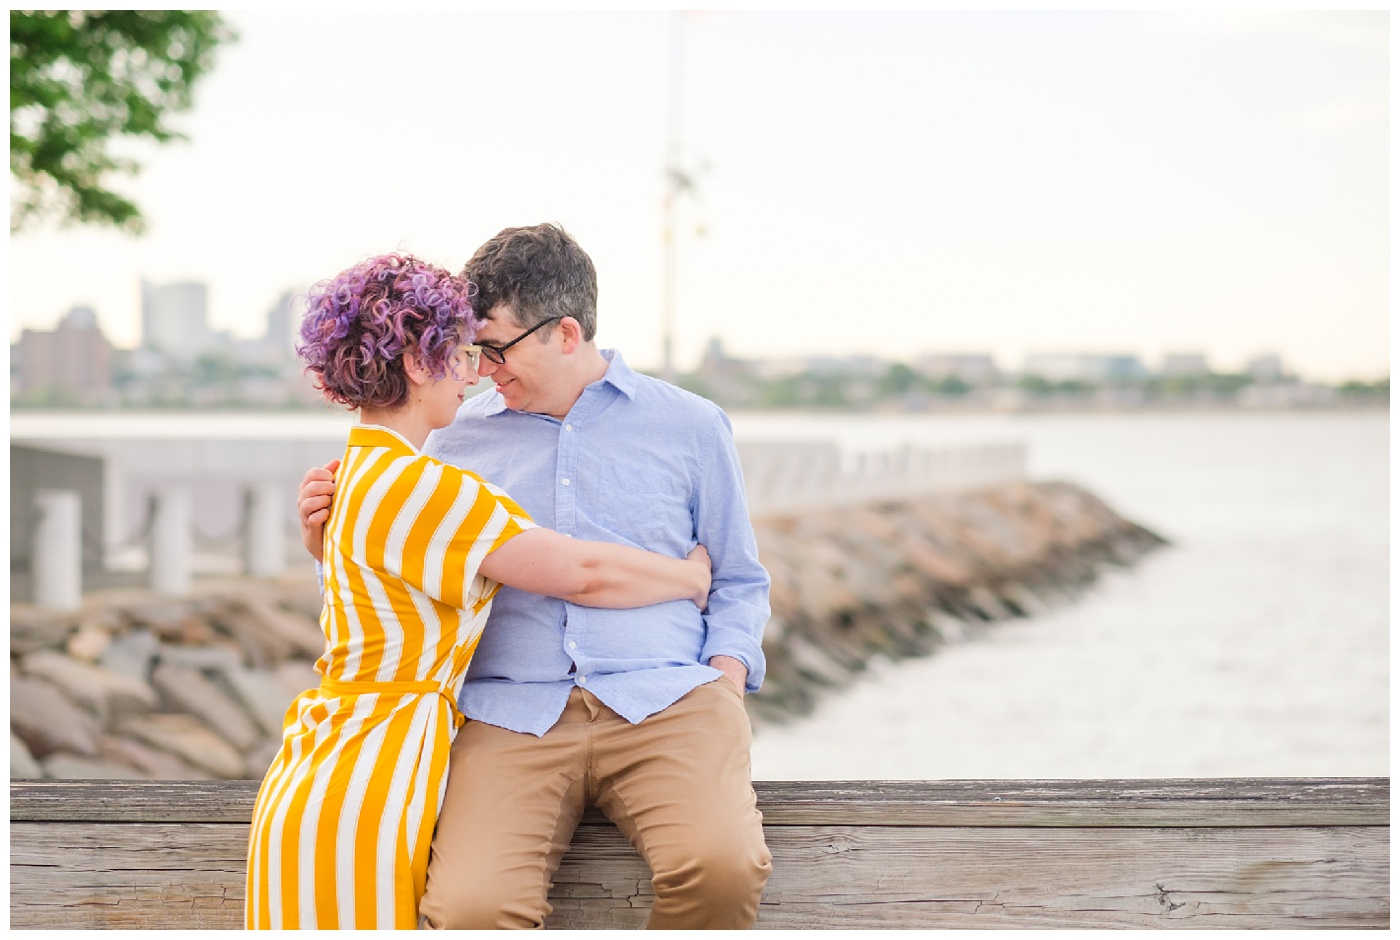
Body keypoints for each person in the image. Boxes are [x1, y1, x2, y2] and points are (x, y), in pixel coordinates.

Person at [298, 223, 773, 929]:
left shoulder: (693, 427)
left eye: (496, 347)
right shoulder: (448, 438)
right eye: (473, 349)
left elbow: (738, 579)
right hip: (507, 714)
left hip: (667, 702)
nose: (482, 369)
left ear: (568, 333)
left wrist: (726, 683)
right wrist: (322, 541)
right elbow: (397, 574)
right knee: (469, 910)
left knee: (723, 868)